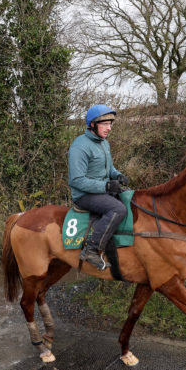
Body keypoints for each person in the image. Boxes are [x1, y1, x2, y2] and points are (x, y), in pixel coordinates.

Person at [67, 104, 129, 270]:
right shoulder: (79, 146)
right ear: (93, 125)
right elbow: (77, 180)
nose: (109, 128)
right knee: (118, 209)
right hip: (84, 195)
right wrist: (107, 186)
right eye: (105, 124)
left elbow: (109, 169)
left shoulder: (103, 143)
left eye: (110, 124)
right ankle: (91, 250)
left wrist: (117, 175)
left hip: (101, 190)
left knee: (131, 199)